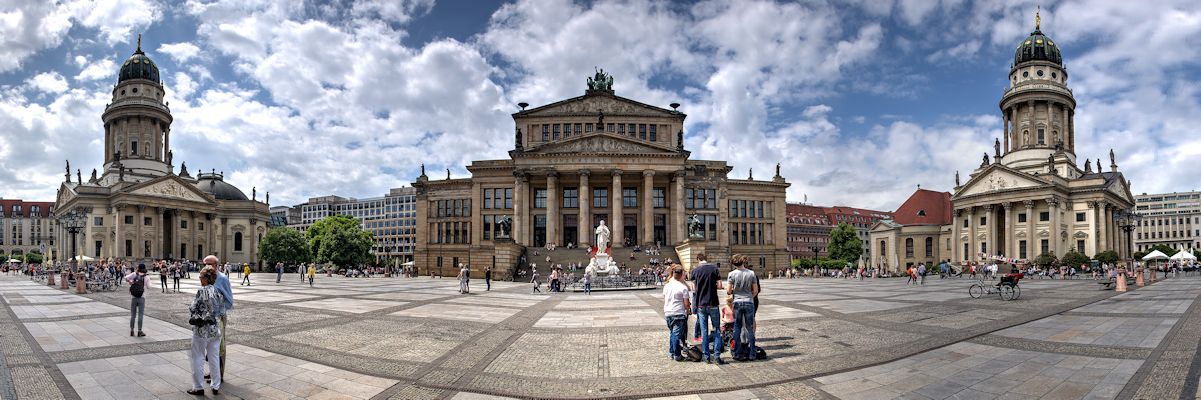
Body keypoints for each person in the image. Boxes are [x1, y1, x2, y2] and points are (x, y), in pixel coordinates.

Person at [186, 266, 224, 396]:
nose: (200, 279)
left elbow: (192, 307)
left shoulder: (201, 291)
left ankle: (198, 387)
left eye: (201, 277)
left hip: (201, 330)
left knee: (198, 357)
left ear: (206, 279)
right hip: (215, 330)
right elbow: (222, 310)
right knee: (214, 357)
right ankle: (216, 386)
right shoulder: (218, 291)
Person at [203, 255, 234, 383]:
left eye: (208, 264)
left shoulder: (222, 278)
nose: (206, 267)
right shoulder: (206, 277)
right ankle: (212, 371)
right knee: (210, 345)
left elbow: (229, 301)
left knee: (219, 346)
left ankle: (219, 374)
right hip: (208, 316)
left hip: (218, 317)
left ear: (216, 265)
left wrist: (219, 311)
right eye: (204, 264)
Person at [691, 253, 725, 364]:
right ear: (706, 259)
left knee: (704, 331)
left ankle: (706, 357)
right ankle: (717, 356)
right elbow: (720, 285)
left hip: (701, 304)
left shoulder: (695, 271)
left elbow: (694, 289)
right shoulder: (714, 268)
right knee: (717, 330)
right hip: (713, 303)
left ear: (698, 259)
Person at [726, 254, 759, 361]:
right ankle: (752, 354)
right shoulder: (751, 273)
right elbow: (755, 290)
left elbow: (728, 291)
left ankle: (737, 353)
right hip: (749, 301)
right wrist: (749, 296)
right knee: (750, 328)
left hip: (737, 303)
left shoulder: (731, 274)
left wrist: (734, 291)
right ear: (742, 262)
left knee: (737, 328)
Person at [662, 264, 691, 361]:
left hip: (668, 312)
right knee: (676, 335)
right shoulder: (683, 287)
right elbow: (686, 304)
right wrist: (688, 311)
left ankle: (671, 352)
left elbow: (665, 299)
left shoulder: (666, 286)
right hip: (678, 312)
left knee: (672, 333)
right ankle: (677, 355)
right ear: (682, 274)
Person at [124, 264, 150, 337]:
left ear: (138, 268)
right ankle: (139, 331)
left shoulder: (134, 274)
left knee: (133, 315)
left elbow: (125, 278)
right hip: (142, 297)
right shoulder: (147, 276)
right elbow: (149, 286)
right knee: (140, 315)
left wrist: (131, 281)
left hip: (133, 296)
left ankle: (132, 330)